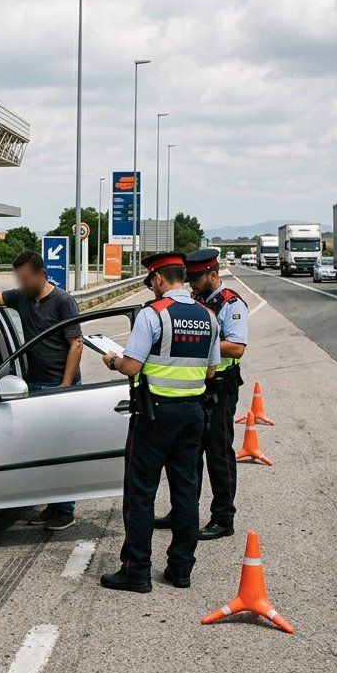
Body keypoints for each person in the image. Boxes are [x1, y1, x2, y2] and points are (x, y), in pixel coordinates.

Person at [98, 252, 219, 592]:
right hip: (193, 416)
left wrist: (112, 360)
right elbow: (211, 371)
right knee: (186, 494)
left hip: (154, 417)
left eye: (151, 281)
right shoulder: (208, 315)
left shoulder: (153, 314)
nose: (151, 287)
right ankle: (180, 569)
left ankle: (136, 571)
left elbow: (131, 367)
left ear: (159, 279)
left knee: (140, 494)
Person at [0, 250, 83, 531]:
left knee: (62, 450)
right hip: (33, 385)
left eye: (25, 278)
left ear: (41, 274)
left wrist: (64, 387)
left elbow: (76, 344)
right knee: (42, 450)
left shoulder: (63, 302)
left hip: (59, 385)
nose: (21, 284)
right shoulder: (22, 298)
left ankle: (65, 511)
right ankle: (51, 505)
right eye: (18, 279)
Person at [153, 248, 249, 540]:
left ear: (213, 274)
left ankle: (223, 518)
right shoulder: (194, 302)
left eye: (196, 278)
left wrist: (196, 341)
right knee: (186, 455)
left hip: (220, 386)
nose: (192, 283)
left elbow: (236, 347)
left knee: (218, 454)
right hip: (196, 385)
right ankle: (183, 511)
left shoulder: (231, 304)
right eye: (189, 278)